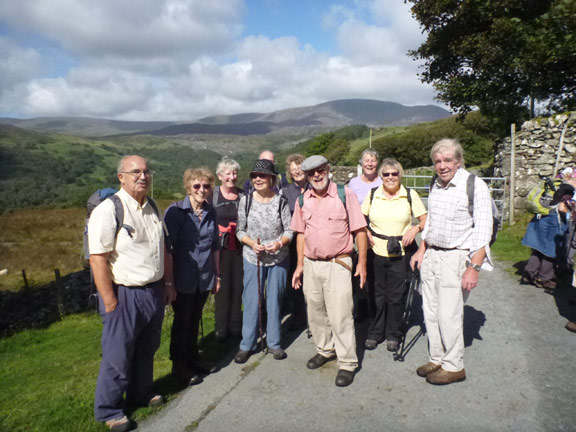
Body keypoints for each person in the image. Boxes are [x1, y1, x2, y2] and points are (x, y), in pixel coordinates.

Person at [88, 155, 176, 432]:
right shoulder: (109, 209)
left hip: (153, 290)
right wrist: (110, 300)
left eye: (146, 171)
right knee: (118, 354)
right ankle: (110, 410)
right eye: (135, 172)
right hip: (124, 294)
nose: (143, 176)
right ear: (121, 177)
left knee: (147, 348)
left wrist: (168, 283)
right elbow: (97, 258)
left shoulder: (151, 206)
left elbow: (162, 248)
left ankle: (141, 392)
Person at [410, 139, 493, 385]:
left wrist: (473, 268)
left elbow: (483, 230)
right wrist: (421, 250)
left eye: (447, 160)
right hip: (432, 255)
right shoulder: (435, 184)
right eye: (438, 161)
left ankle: (455, 365)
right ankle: (437, 358)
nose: (442, 166)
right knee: (431, 311)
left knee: (450, 314)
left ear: (459, 161)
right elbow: (432, 222)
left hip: (456, 256)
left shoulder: (474, 185)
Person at [291, 155, 368, 387]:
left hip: (339, 262)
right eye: (311, 172)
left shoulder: (345, 194)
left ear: (328, 170)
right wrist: (299, 265)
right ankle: (325, 349)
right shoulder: (303, 200)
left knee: (340, 313)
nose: (316, 175)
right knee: (315, 311)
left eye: (320, 170)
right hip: (312, 264)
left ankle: (347, 363)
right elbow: (301, 233)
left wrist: (362, 263)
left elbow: (360, 230)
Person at [361, 158, 427, 352]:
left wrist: (414, 230)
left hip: (401, 252)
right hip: (376, 252)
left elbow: (424, 219)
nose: (390, 177)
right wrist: (366, 232)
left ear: (400, 175)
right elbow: (360, 218)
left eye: (394, 173)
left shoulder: (409, 195)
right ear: (380, 176)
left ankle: (393, 334)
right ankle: (375, 332)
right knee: (376, 294)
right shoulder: (373, 194)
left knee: (396, 295)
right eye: (386, 174)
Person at [164, 167, 221, 386]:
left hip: (204, 277)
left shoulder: (211, 212)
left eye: (206, 186)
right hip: (183, 278)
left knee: (195, 319)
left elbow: (215, 245)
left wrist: (218, 275)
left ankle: (193, 359)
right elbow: (169, 249)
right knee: (182, 322)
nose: (202, 190)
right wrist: (169, 282)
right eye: (197, 185)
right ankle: (179, 366)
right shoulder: (176, 212)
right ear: (188, 186)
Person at [234, 159, 293, 363]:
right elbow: (239, 230)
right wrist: (251, 243)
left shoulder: (281, 201)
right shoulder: (246, 201)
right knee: (251, 300)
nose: (257, 179)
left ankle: (274, 343)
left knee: (275, 300)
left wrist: (279, 244)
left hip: (278, 257)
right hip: (253, 258)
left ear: (272, 179)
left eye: (262, 175)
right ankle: (246, 345)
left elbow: (290, 230)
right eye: (254, 176)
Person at [212, 157, 245, 342]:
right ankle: (220, 330)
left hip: (240, 249)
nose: (232, 177)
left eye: (234, 173)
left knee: (237, 288)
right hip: (220, 251)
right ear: (219, 176)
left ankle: (234, 327)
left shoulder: (243, 196)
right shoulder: (213, 196)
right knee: (222, 290)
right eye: (228, 174)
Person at [521, 183, 574, 289]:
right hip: (552, 228)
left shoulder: (548, 199)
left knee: (538, 250)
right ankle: (544, 279)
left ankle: (529, 274)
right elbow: (563, 213)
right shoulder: (562, 202)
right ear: (566, 194)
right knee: (550, 253)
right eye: (570, 195)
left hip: (540, 226)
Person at [280, 154, 309, 330]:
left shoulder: (316, 188)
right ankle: (299, 315)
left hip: (314, 243)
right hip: (292, 245)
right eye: (293, 168)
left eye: (299, 166)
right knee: (296, 281)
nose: (297, 170)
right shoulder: (285, 193)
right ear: (289, 172)